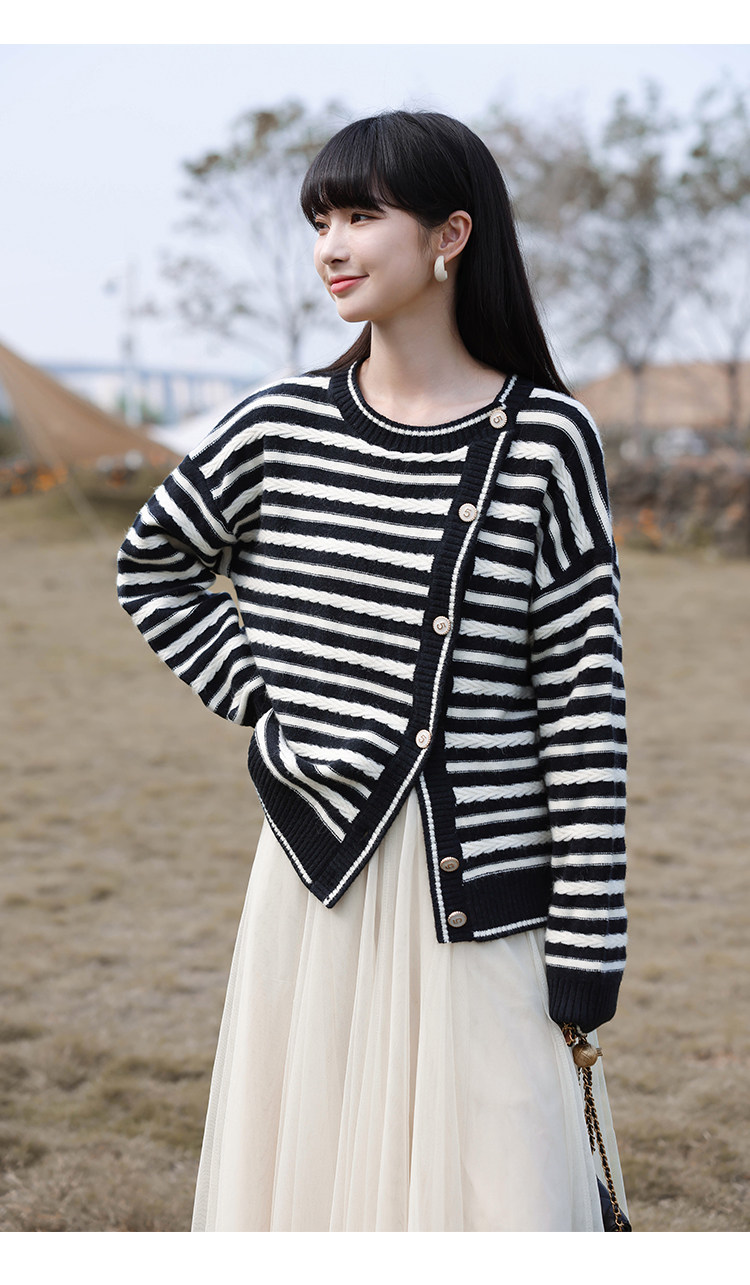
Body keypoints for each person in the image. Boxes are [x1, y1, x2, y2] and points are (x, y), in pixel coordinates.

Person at [116, 109, 629, 1232]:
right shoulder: (278, 425)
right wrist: (275, 706)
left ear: (451, 235)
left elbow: (583, 708)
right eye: (320, 222)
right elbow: (152, 565)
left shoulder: (547, 441)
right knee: (312, 1187)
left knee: (503, 1198)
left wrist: (591, 940)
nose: (331, 247)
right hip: (317, 883)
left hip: (483, 898)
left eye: (360, 216)